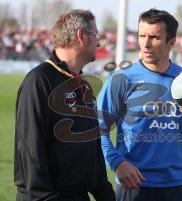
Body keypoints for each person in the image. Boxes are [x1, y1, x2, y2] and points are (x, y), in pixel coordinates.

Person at [97, 9, 182, 201]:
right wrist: (117, 163)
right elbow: (97, 129)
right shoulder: (121, 80)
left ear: (171, 42)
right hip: (133, 186)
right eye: (141, 35)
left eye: (154, 37)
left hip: (178, 187)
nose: (145, 44)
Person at [14, 9, 115, 201]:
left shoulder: (83, 84)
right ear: (81, 36)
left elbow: (91, 148)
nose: (99, 42)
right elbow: (31, 149)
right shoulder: (39, 80)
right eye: (95, 35)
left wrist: (105, 194)